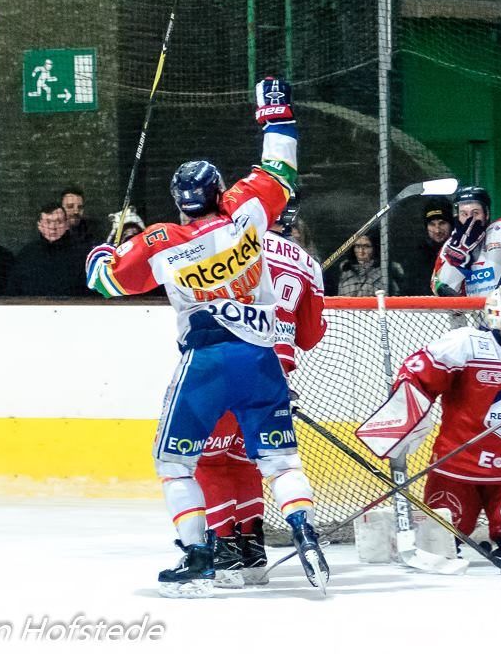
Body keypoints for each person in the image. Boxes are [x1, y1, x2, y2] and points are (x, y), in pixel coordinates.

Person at [84, 77, 329, 597]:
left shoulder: (163, 241)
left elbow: (106, 282)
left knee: (175, 462)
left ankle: (197, 553)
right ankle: (304, 528)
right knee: (279, 460)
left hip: (208, 362)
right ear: (218, 191)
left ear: (179, 202)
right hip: (263, 359)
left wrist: (106, 249)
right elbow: (281, 164)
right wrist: (274, 111)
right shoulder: (246, 211)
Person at [195, 200, 328, 588]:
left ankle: (225, 549)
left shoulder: (223, 244)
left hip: (226, 367)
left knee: (210, 461)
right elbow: (310, 336)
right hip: (274, 379)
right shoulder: (307, 262)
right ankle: (252, 547)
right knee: (248, 462)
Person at [388, 286, 501, 555]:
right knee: (443, 538)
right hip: (457, 470)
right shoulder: (466, 343)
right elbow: (417, 374)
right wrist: (405, 412)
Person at [6, 203, 88, 296]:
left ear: (67, 225)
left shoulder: (81, 255)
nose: (53, 227)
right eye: (48, 222)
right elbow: (13, 291)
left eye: (58, 222)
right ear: (39, 226)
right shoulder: (26, 255)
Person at [402, 199, 452, 295]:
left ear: (450, 224)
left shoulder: (461, 250)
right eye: (432, 224)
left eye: (442, 223)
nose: (437, 230)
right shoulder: (417, 256)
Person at [336, 231, 404, 296]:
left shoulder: (386, 270)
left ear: (375, 248)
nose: (361, 251)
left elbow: (395, 298)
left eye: (366, 246)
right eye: (357, 246)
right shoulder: (345, 271)